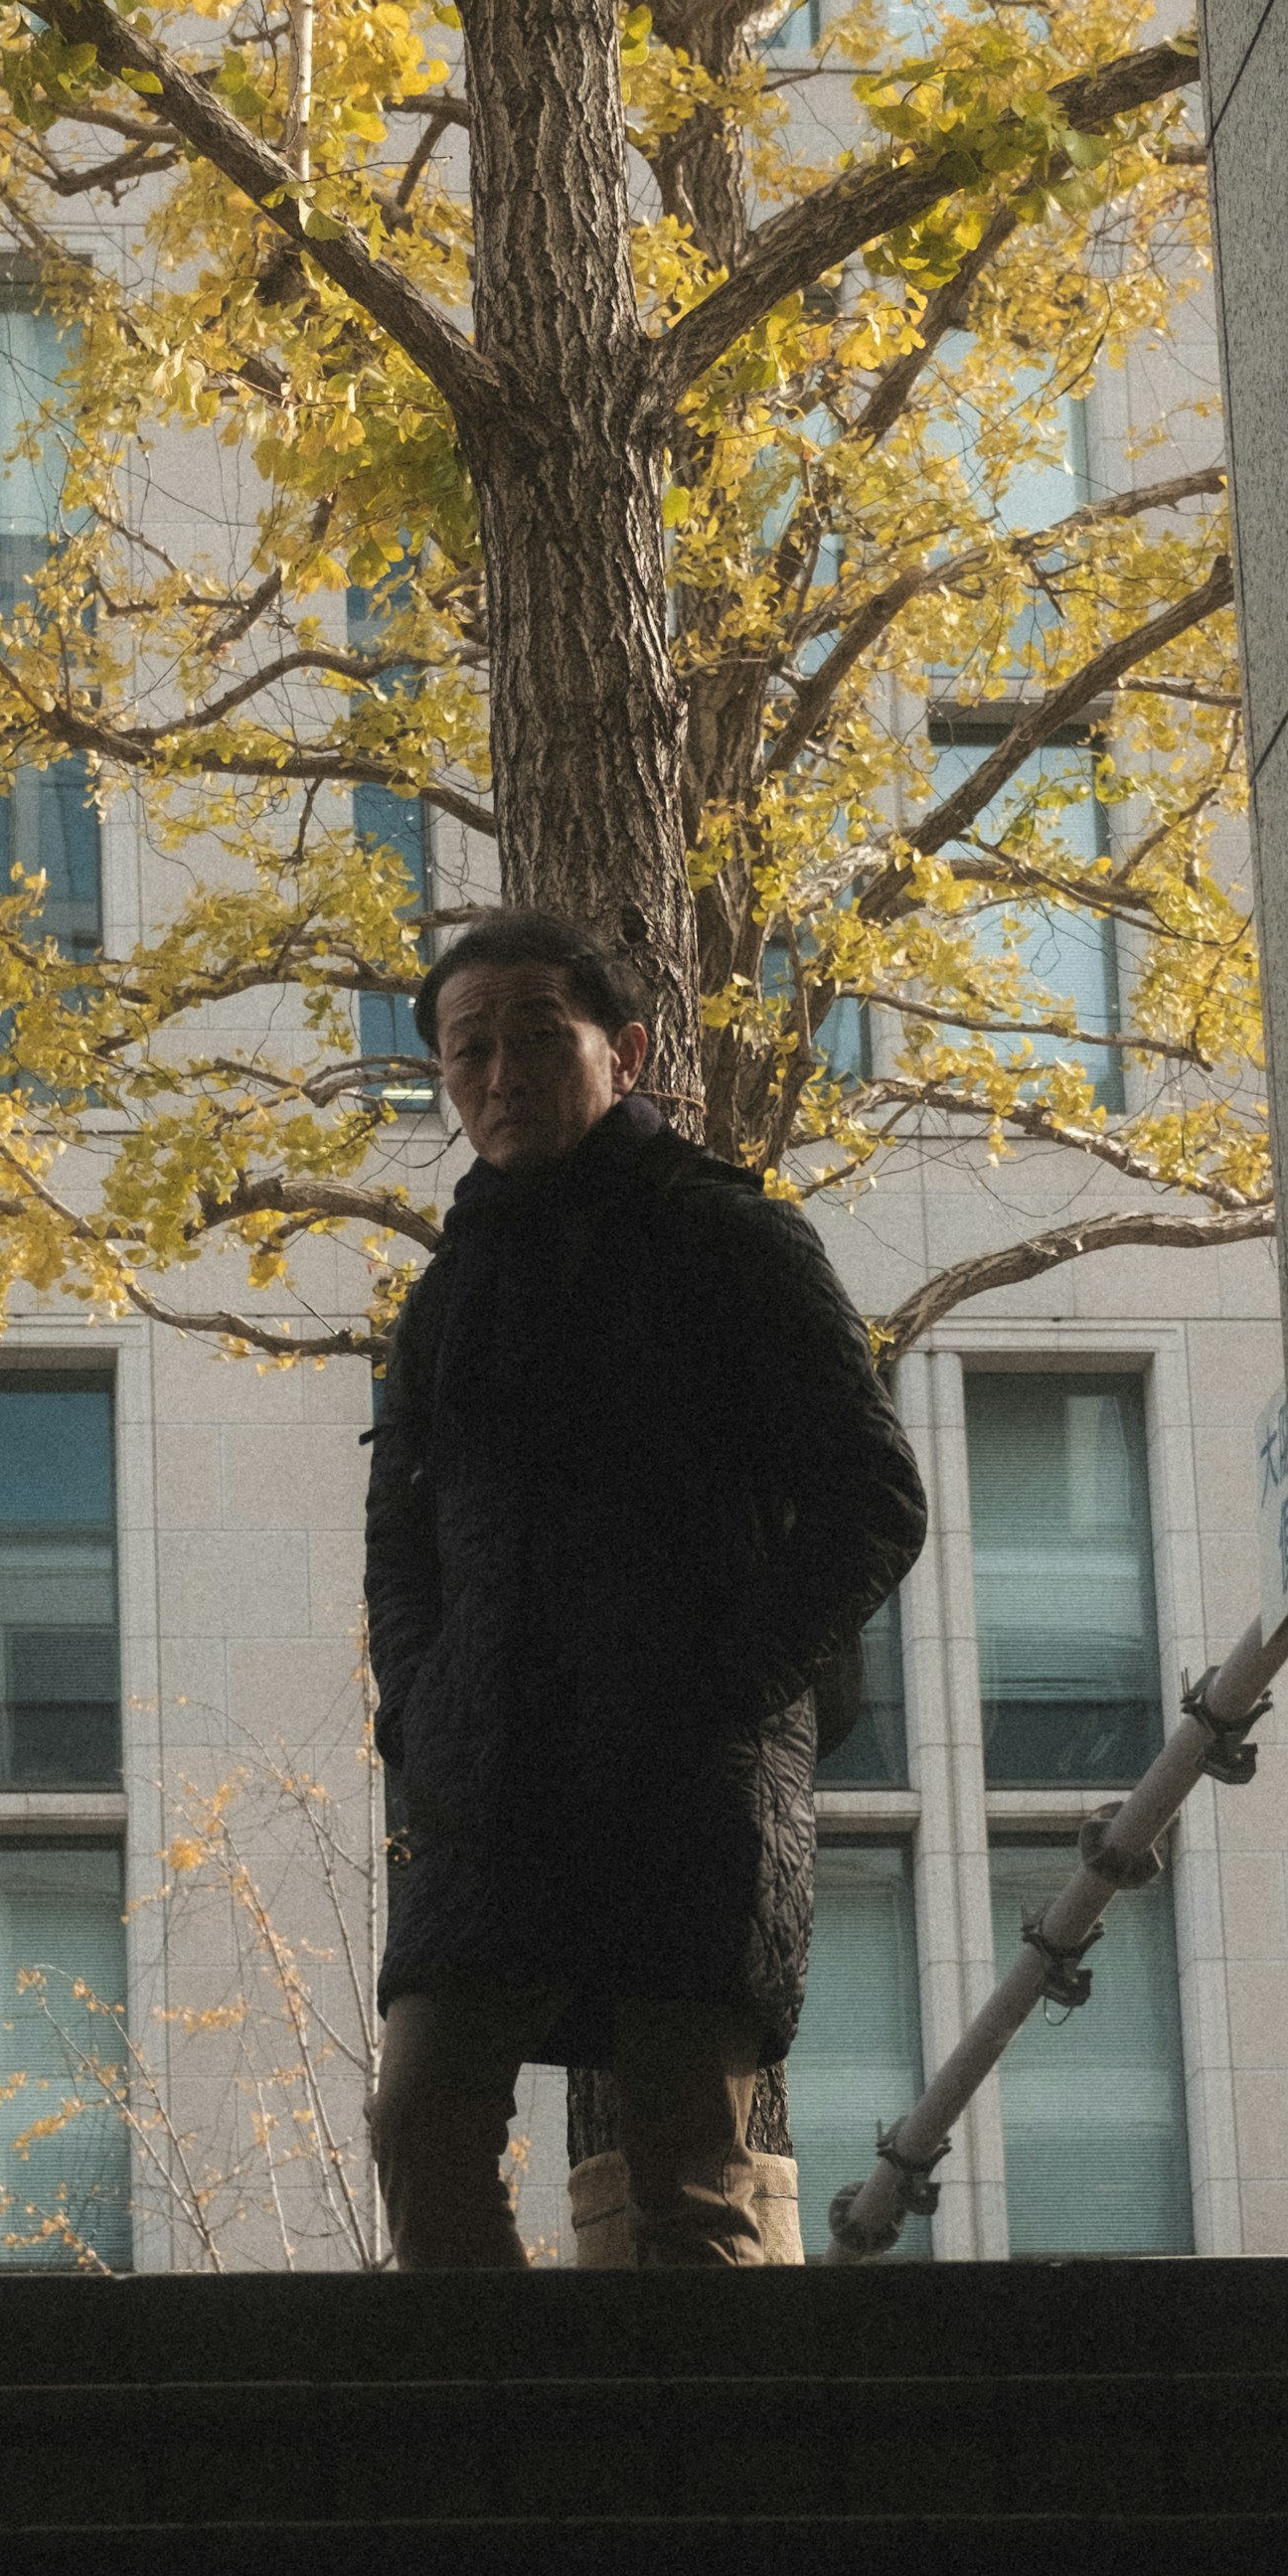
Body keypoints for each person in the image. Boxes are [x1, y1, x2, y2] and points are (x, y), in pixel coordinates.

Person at [362, 908, 928, 2269]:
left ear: (624, 1048)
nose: (498, 1075)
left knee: (692, 2173)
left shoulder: (735, 1241)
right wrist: (418, 1718)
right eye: (466, 1049)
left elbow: (874, 1497)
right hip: (490, 1779)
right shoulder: (449, 1294)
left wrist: (723, 1693)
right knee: (423, 2120)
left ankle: (702, 2477)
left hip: (688, 1789)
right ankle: (521, 2450)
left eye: (534, 1039)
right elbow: (400, 1540)